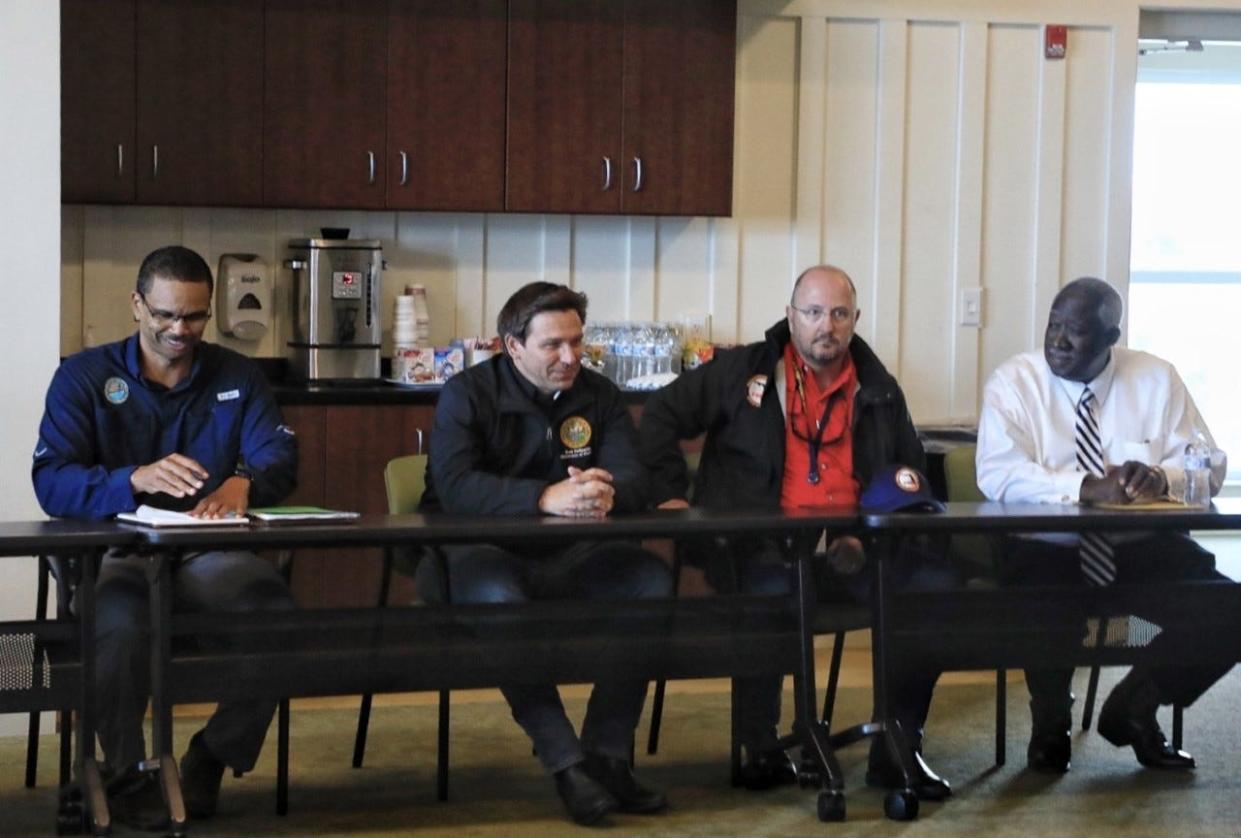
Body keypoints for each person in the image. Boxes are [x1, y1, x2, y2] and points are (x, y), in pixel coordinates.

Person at [639, 265, 953, 801]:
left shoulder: (879, 389)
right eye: (812, 312)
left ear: (855, 320)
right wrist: (670, 493)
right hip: (757, 547)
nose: (824, 325)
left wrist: (861, 539)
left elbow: (908, 477)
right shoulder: (743, 371)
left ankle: (898, 744)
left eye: (838, 313)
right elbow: (661, 415)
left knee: (933, 590)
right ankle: (761, 743)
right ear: (790, 317)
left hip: (853, 548)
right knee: (773, 596)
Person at [32, 246, 298, 831]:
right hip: (117, 554)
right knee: (119, 623)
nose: (180, 330)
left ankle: (210, 759)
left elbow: (278, 451)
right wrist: (132, 480)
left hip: (207, 551)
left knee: (276, 615)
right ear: (137, 305)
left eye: (195, 317)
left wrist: (244, 482)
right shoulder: (83, 376)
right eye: (165, 315)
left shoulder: (235, 374)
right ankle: (125, 774)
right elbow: (52, 480)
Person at [417, 282, 672, 826]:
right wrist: (541, 497)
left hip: (572, 553)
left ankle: (607, 755)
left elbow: (634, 475)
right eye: (553, 345)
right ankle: (565, 761)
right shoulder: (466, 393)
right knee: (498, 596)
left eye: (577, 342)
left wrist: (609, 492)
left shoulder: (599, 394)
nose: (570, 357)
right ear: (512, 346)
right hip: (476, 554)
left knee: (649, 578)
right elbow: (457, 488)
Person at [976, 276, 1232, 773]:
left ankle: (1138, 703)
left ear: (1111, 339)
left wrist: (1161, 477)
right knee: (1042, 602)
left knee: (1228, 609)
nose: (1058, 340)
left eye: (1075, 331)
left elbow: (1211, 466)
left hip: (1142, 547)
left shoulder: (1157, 379)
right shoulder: (1015, 382)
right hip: (1046, 549)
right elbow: (997, 473)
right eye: (1053, 325)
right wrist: (1085, 488)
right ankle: (1050, 719)